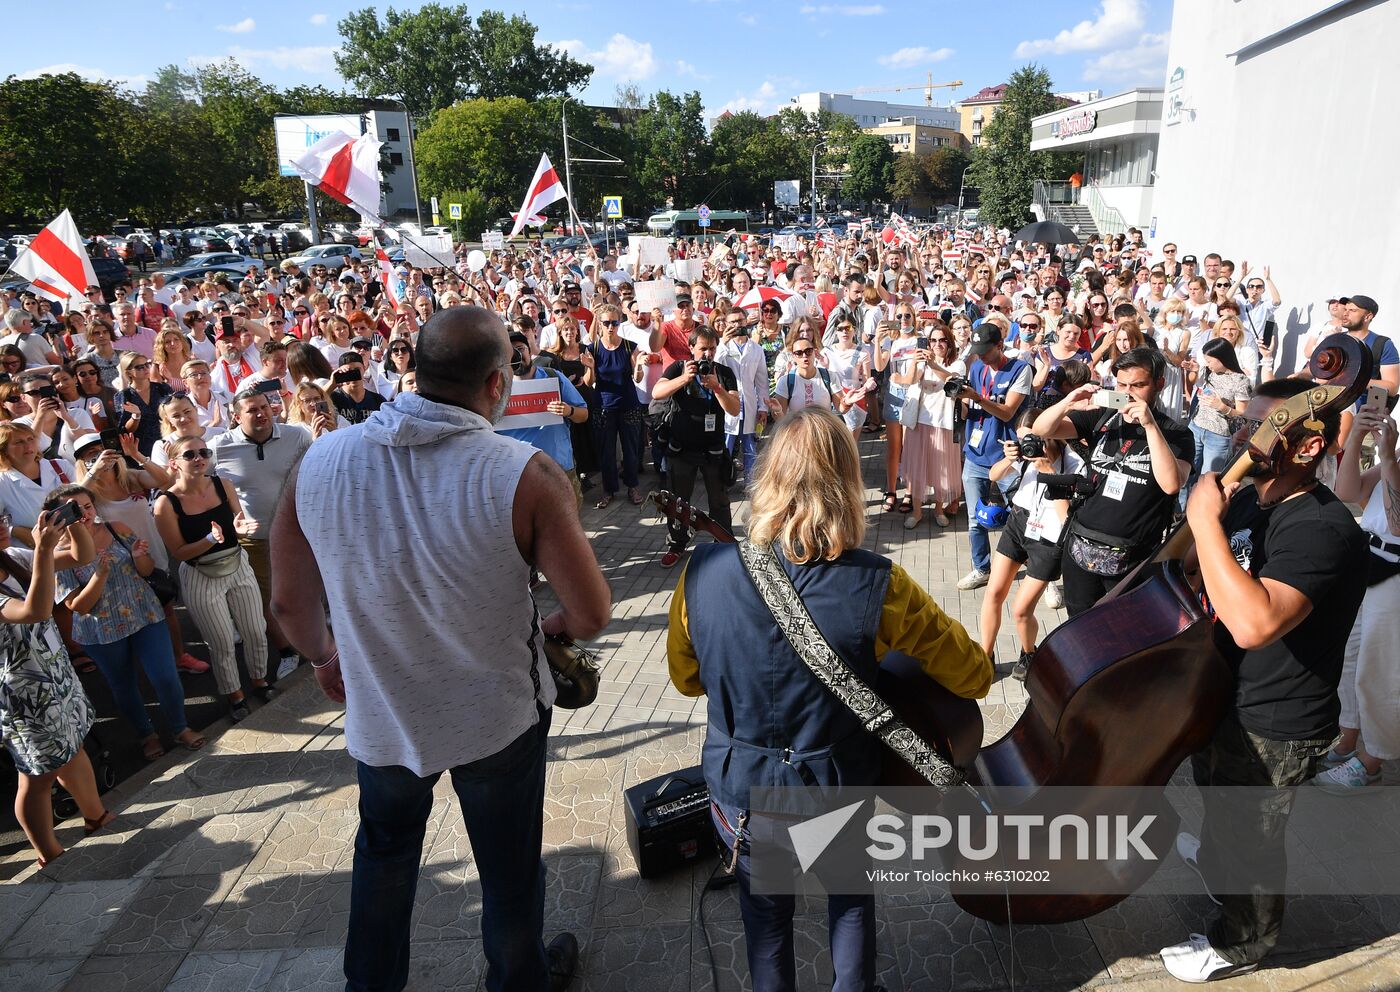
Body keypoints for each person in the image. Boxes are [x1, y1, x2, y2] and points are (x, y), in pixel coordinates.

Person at [270, 304, 608, 992]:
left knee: (385, 859)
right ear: (496, 384)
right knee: (509, 869)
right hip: (498, 717)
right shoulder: (526, 473)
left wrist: (323, 657)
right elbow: (591, 612)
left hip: (384, 713)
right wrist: (545, 635)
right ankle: (519, 981)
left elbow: (288, 604)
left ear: (415, 372)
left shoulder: (319, 460)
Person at [667, 407, 993, 992]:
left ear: (767, 479)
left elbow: (686, 680)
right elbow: (972, 677)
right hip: (836, 785)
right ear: (848, 485)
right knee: (848, 901)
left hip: (742, 789)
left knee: (765, 918)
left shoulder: (702, 572)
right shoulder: (880, 583)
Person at [1161, 378, 1368, 982]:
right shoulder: (1253, 498)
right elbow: (1193, 567)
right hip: (1227, 692)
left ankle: (1241, 942)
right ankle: (1221, 866)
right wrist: (1214, 505)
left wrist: (1205, 523)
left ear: (1306, 447)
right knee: (1219, 802)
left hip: (1277, 716)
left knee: (1254, 836)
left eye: (1260, 425)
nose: (1242, 436)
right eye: (1244, 421)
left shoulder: (1322, 528)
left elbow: (1255, 622)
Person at [1033, 347, 1194, 616]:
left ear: (1160, 384)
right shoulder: (1104, 416)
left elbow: (1171, 484)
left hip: (1132, 557)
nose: (1128, 392)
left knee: (1124, 631)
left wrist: (1150, 426)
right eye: (1121, 384)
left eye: (1138, 385)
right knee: (1078, 626)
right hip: (1082, 546)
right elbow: (1042, 429)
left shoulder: (1176, 433)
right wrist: (1068, 401)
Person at [50, 485, 206, 760]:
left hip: (144, 614)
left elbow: (145, 572)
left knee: (166, 677)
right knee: (123, 684)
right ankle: (146, 735)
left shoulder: (116, 528)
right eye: (75, 509)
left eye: (87, 506)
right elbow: (77, 606)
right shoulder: (60, 554)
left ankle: (180, 728)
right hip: (101, 630)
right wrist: (99, 575)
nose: (84, 514)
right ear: (60, 516)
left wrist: (137, 556)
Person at [0, 503, 112, 868]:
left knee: (74, 746)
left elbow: (84, 555)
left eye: (1, 518)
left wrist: (75, 524)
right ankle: (48, 852)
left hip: (55, 675)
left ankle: (95, 816)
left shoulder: (13, 555)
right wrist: (45, 550)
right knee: (37, 775)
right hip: (24, 695)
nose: (4, 526)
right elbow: (34, 610)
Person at [155, 435, 271, 722]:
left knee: (256, 630)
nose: (199, 458)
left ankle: (260, 682)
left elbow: (237, 522)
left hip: (236, 563)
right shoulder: (165, 504)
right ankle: (235, 696)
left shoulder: (223, 484)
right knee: (221, 643)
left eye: (203, 452)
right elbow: (180, 552)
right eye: (190, 454)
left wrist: (241, 528)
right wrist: (210, 539)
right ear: (174, 464)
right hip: (201, 574)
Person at [1315, 402, 1400, 792]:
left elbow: (1397, 524)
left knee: (1379, 669)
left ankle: (1373, 758)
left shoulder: (1393, 459)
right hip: (1370, 563)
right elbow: (1347, 491)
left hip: (1395, 574)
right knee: (1349, 657)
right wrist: (1356, 437)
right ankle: (1347, 737)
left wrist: (1387, 458)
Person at [208, 389, 312, 682]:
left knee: (307, 590)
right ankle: (288, 653)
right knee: (268, 602)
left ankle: (319, 644)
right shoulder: (219, 447)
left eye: (265, 407)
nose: (261, 413)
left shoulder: (297, 436)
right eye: (252, 410)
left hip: (300, 531)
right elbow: (184, 471)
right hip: (255, 539)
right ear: (236, 416)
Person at [978, 409, 1083, 678]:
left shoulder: (1074, 461)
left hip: (1050, 536)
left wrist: (1049, 472)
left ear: (1051, 434)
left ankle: (1028, 653)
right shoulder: (1024, 453)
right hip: (1019, 522)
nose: (1029, 444)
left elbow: (1067, 517)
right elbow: (993, 476)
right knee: (993, 594)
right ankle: (984, 657)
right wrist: (1009, 458)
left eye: (1034, 438)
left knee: (1021, 610)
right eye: (1024, 438)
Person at [954, 324, 1033, 590]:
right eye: (978, 352)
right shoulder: (976, 367)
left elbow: (1008, 412)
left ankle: (1039, 575)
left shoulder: (1020, 370)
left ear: (1000, 345)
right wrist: (960, 400)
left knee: (1025, 518)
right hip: (976, 454)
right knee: (976, 519)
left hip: (1008, 457)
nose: (981, 356)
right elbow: (971, 408)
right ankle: (981, 568)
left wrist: (976, 396)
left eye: (986, 351)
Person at [653, 327, 740, 568]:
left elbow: (734, 409)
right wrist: (685, 379)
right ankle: (677, 544)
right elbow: (657, 392)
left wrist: (717, 388)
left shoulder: (723, 373)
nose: (708, 354)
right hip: (682, 449)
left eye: (712, 348)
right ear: (691, 348)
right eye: (703, 348)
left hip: (713, 449)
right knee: (678, 501)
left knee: (720, 502)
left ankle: (723, 543)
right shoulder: (678, 368)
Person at [498, 333, 590, 504]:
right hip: (519, 471)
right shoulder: (498, 387)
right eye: (510, 352)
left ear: (530, 351)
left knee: (567, 522)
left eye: (520, 349)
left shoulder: (553, 376)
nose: (516, 356)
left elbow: (583, 415)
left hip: (559, 466)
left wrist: (568, 410)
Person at [892, 323, 964, 529]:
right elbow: (910, 380)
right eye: (933, 340)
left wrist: (933, 365)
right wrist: (915, 362)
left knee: (940, 469)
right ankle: (916, 512)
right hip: (919, 421)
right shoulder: (923, 361)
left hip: (943, 422)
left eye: (942, 340)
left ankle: (939, 510)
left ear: (949, 343)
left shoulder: (957, 364)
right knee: (917, 469)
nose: (937, 344)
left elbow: (952, 380)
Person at [586, 305, 644, 508]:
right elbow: (588, 381)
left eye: (615, 322)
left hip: (628, 404)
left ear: (619, 323)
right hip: (603, 406)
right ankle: (608, 490)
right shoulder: (592, 348)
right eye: (606, 323)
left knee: (630, 449)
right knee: (606, 451)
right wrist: (591, 368)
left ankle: (632, 486)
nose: (611, 327)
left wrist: (638, 366)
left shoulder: (630, 346)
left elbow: (638, 378)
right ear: (600, 324)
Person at [1186, 338, 1252, 494]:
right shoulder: (1211, 372)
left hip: (1217, 436)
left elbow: (1243, 415)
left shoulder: (1241, 380)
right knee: (1186, 472)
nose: (1207, 364)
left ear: (1222, 357)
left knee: (1207, 480)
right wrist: (1195, 370)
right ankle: (1181, 509)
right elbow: (1195, 383)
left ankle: (1201, 513)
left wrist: (1222, 407)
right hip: (1196, 427)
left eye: (1210, 361)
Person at [716, 310, 770, 486]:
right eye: (732, 322)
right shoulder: (723, 347)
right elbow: (714, 367)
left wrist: (763, 406)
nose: (736, 325)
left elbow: (762, 381)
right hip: (728, 403)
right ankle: (722, 481)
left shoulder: (756, 349)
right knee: (726, 446)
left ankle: (750, 483)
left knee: (750, 447)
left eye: (740, 320)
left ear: (746, 321)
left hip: (749, 404)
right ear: (726, 324)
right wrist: (722, 343)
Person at [114, 351, 174, 456]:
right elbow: (126, 430)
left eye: (147, 364)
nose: (146, 369)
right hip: (142, 447)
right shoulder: (125, 395)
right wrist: (136, 416)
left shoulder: (161, 388)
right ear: (128, 373)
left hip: (167, 442)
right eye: (139, 367)